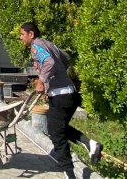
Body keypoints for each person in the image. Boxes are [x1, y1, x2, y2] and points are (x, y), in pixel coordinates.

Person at [19, 22, 102, 179]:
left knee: (55, 133)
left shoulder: (36, 47)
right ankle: (90, 144)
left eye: (22, 34)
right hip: (70, 93)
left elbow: (49, 62)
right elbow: (66, 59)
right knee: (59, 128)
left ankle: (69, 174)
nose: (20, 38)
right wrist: (56, 76)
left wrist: (42, 80)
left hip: (60, 95)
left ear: (31, 34)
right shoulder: (48, 43)